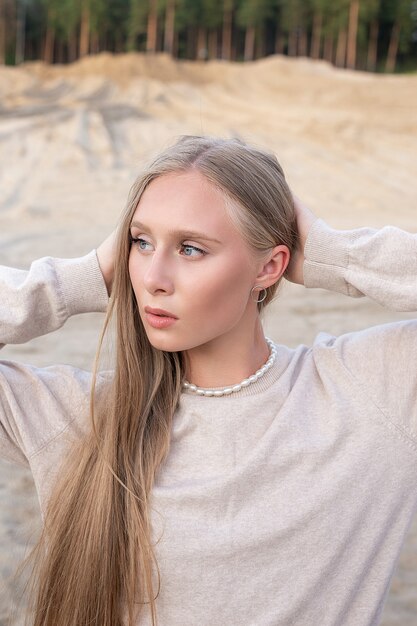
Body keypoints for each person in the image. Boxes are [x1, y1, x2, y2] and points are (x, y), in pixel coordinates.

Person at [0, 135, 416, 626]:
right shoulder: (75, 415)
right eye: (141, 242)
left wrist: (332, 253)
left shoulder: (371, 391)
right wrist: (84, 277)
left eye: (191, 248)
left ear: (271, 267)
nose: (153, 276)